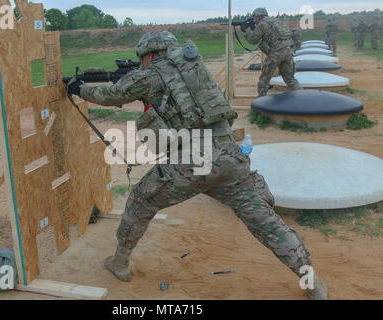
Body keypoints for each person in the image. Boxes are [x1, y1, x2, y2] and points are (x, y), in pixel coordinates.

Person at [65, 30, 327, 300]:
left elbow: (112, 95)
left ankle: (119, 262)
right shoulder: (195, 70)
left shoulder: (152, 73)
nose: (143, 63)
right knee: (267, 224)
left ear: (151, 54)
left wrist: (78, 88)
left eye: (143, 58)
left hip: (194, 162)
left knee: (141, 200)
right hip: (230, 159)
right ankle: (312, 282)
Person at [240, 8, 303, 97]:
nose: (254, 20)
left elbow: (253, 40)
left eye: (254, 17)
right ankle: (303, 96)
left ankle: (261, 101)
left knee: (265, 78)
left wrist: (246, 31)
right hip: (288, 51)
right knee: (290, 79)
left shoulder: (263, 24)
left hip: (276, 53)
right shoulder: (275, 21)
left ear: (259, 17)